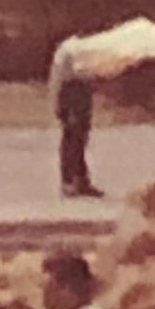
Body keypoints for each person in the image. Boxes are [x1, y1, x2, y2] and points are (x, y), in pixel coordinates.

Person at [49, 34, 103, 198]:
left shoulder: (89, 48)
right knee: (71, 139)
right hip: (70, 92)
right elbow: (57, 77)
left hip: (83, 92)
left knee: (81, 139)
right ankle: (67, 182)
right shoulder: (67, 49)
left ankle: (81, 180)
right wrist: (57, 102)